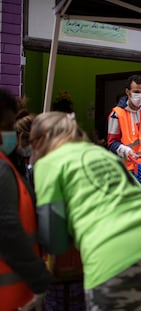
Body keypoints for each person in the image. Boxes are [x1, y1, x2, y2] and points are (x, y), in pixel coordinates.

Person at [30, 111, 141, 310]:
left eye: (32, 142)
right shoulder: (103, 155)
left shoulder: (48, 163)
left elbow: (55, 239)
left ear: (42, 138)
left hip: (117, 258)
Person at [0, 88, 51, 311]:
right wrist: (40, 277)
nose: (13, 133)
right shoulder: (2, 170)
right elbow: (8, 230)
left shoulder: (8, 165)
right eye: (8, 126)